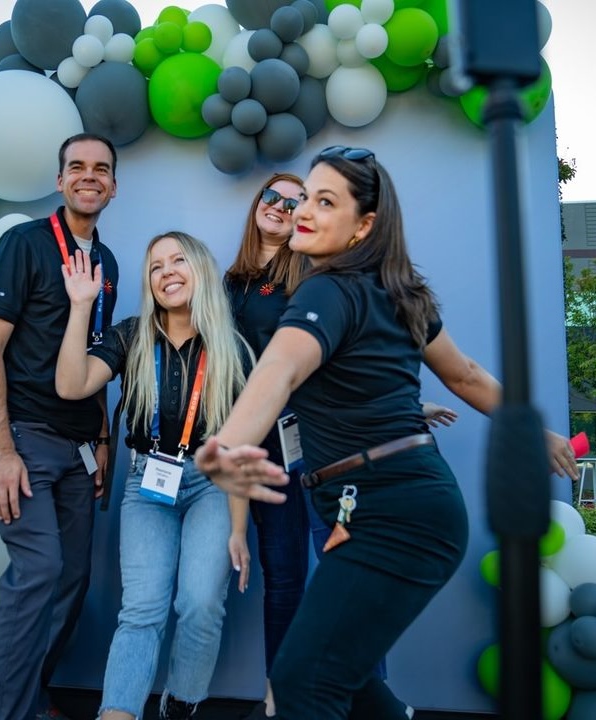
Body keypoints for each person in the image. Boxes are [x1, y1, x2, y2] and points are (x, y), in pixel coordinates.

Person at [196, 146, 579, 719]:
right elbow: (465, 375)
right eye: (306, 196)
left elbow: (280, 369)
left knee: (303, 681)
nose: (303, 209)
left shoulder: (326, 290)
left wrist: (226, 446)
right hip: (410, 506)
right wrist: (533, 431)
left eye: (325, 202)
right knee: (342, 674)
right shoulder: (399, 291)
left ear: (364, 225)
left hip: (389, 510)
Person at [225, 173, 458, 720]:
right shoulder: (231, 284)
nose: (285, 206)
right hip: (265, 445)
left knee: (345, 574)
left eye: (298, 198)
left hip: (321, 444)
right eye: (274, 196)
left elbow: (342, 353)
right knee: (282, 578)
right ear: (257, 204)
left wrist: (400, 407)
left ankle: (366, 696)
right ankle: (279, 694)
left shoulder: (316, 273)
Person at [55, 232, 253, 720]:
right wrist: (82, 306)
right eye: (156, 266)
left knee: (200, 604)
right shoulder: (131, 335)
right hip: (148, 483)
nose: (166, 272)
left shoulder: (234, 347)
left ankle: (181, 705)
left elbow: (241, 447)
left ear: (201, 270)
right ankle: (117, 713)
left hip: (214, 483)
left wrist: (240, 529)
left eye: (178, 261)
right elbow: (71, 384)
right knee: (141, 610)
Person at [0, 132, 119, 720]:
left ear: (113, 184)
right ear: (60, 181)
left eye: (101, 168)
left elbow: (98, 357)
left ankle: (30, 698)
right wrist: (2, 450)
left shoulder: (106, 262)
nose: (89, 176)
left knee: (74, 578)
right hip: (24, 434)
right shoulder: (25, 243)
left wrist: (103, 439)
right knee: (39, 570)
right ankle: (7, 714)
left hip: (81, 442)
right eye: (77, 167)